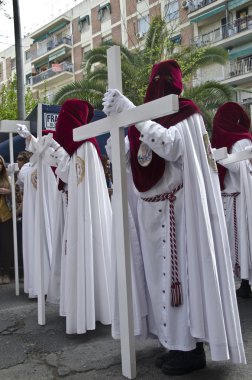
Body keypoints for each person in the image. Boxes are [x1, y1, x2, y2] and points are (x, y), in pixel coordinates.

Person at [102, 60, 246, 376]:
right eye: (156, 79)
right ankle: (172, 343)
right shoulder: (145, 116)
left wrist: (132, 113)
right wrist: (120, 128)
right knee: (156, 284)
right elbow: (128, 158)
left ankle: (190, 351)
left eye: (164, 79)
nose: (159, 84)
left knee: (181, 282)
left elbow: (171, 145)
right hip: (147, 214)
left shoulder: (186, 113)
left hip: (177, 211)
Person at [45, 98, 112, 334]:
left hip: (83, 217)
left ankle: (90, 308)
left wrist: (54, 151)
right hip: (76, 212)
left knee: (86, 250)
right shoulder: (82, 146)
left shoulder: (84, 145)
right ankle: (83, 305)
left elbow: (68, 176)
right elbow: (67, 173)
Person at [211, 102, 252, 298]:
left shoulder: (242, 141)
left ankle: (246, 281)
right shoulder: (227, 142)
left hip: (240, 201)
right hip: (227, 199)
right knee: (231, 243)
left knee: (242, 242)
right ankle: (240, 280)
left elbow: (241, 168)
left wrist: (219, 157)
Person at [16, 128, 57, 298]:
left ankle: (51, 284)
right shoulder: (27, 167)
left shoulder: (48, 165)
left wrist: (30, 136)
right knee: (34, 244)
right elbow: (21, 178)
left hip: (47, 211)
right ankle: (37, 285)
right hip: (32, 215)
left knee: (48, 241)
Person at [0, 155, 14, 284]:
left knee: (6, 245)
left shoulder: (8, 178)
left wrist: (9, 192)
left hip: (5, 216)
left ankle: (5, 273)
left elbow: (17, 193)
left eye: (0, 163)